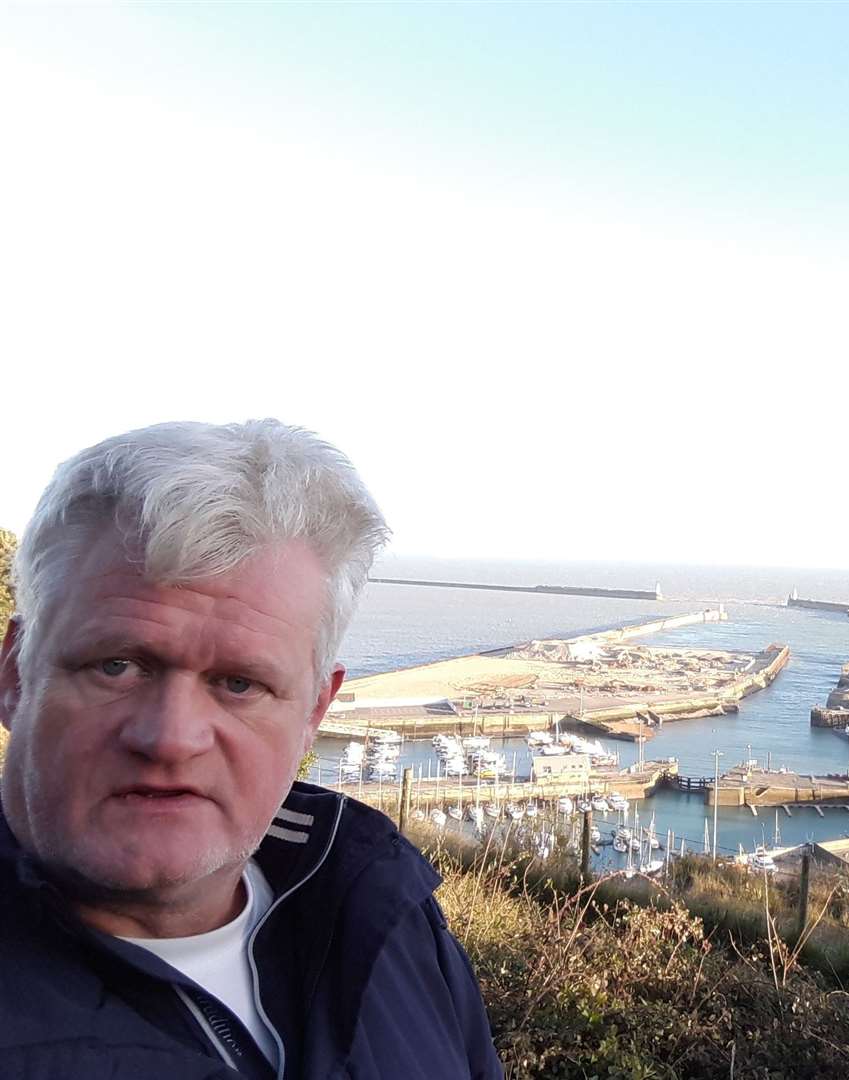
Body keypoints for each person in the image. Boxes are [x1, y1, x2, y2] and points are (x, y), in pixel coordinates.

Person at [0, 420, 504, 1079]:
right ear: (14, 673)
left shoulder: (386, 912)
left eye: (240, 683)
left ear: (314, 710)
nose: (170, 738)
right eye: (117, 666)